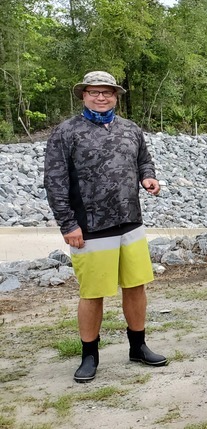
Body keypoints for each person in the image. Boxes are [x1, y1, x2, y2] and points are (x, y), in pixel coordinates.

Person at [44, 71, 168, 383]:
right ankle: (89, 355)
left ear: (116, 96)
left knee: (136, 286)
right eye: (94, 92)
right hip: (90, 227)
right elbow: (54, 182)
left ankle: (137, 347)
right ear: (83, 95)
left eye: (108, 92)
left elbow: (144, 160)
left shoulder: (130, 129)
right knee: (93, 293)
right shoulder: (66, 132)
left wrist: (148, 177)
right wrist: (67, 224)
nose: (102, 97)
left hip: (131, 222)